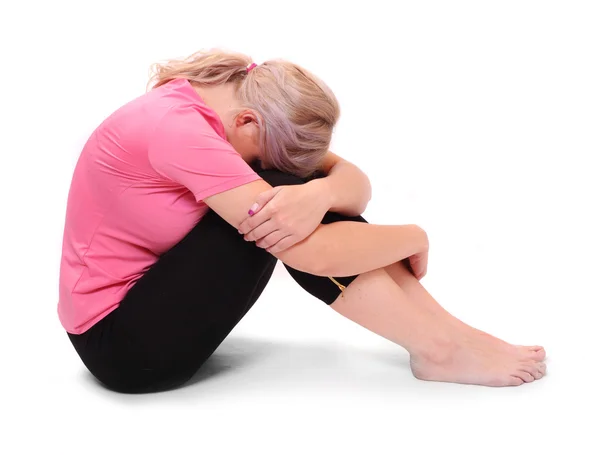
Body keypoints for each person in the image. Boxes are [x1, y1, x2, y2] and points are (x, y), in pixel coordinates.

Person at [59, 49, 546, 394]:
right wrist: (415, 236)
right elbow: (310, 252)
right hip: (123, 345)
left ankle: (448, 335)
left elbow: (351, 181)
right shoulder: (181, 131)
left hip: (150, 303)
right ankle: (438, 348)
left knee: (292, 193)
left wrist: (322, 191)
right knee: (283, 204)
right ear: (249, 122)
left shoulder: (236, 101)